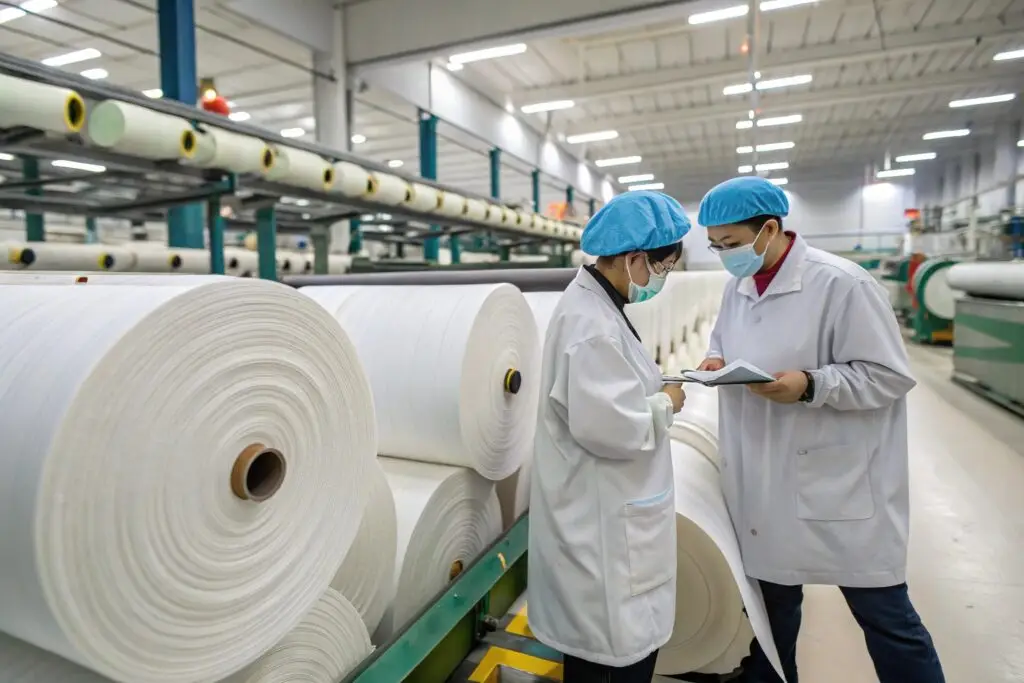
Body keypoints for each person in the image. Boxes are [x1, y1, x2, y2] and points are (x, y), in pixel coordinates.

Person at [695, 176, 945, 683]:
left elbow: (890, 376)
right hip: (764, 479)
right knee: (769, 616)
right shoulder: (737, 286)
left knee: (885, 617)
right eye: (716, 246)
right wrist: (715, 359)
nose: (726, 256)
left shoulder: (843, 284)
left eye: (733, 244)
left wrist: (810, 385)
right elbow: (722, 337)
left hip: (838, 480)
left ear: (770, 229)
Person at [528, 191, 689, 683]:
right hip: (604, 527)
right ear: (633, 258)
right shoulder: (591, 325)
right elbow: (612, 428)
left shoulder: (599, 306)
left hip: (611, 513)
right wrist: (668, 402)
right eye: (662, 268)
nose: (661, 280)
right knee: (613, 655)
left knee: (607, 652)